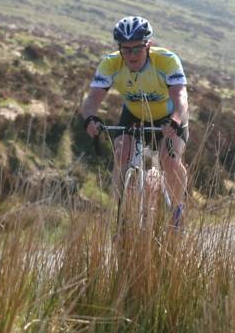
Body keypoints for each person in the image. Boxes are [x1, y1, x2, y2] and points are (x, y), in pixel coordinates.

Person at [80, 16, 189, 225]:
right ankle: (122, 212)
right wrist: (90, 118)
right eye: (126, 49)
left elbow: (181, 98)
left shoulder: (166, 60)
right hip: (134, 116)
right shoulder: (111, 63)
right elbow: (92, 99)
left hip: (169, 116)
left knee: (170, 160)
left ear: (148, 45)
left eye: (137, 49)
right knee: (121, 153)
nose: (131, 55)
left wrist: (175, 119)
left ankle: (177, 211)